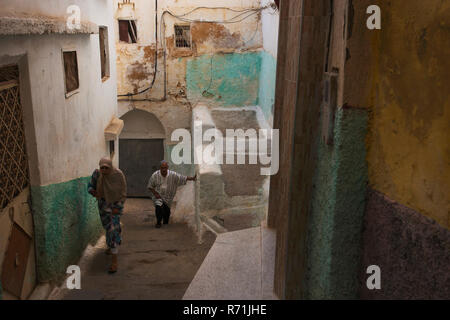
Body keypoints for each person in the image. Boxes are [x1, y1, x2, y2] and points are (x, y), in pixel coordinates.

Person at [88, 157, 127, 273]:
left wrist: (118, 207)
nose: (104, 170)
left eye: (106, 168)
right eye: (102, 167)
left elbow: (123, 192)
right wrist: (93, 192)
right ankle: (112, 246)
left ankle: (114, 260)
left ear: (110, 167)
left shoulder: (118, 175)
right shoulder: (97, 174)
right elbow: (90, 186)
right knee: (108, 227)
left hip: (115, 206)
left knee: (112, 229)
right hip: (103, 206)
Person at [147, 160, 196, 228]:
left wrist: (193, 178)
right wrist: (155, 193)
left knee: (166, 215)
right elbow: (150, 186)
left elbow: (183, 178)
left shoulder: (173, 175)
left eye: (165, 168)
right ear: (160, 168)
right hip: (158, 196)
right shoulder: (155, 175)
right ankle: (158, 222)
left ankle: (165, 221)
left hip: (168, 199)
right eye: (162, 168)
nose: (163, 169)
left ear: (167, 168)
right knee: (159, 205)